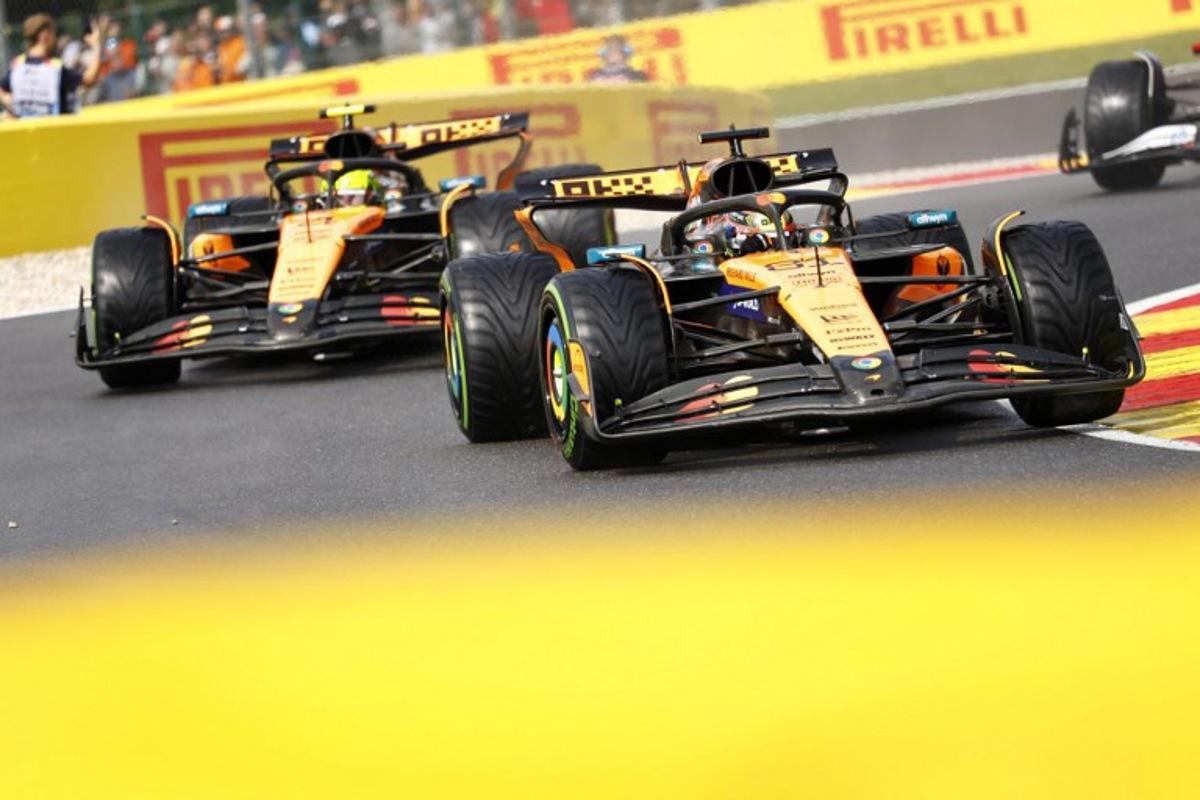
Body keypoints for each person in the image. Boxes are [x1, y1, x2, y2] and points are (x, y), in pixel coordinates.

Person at [1, 14, 104, 118]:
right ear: (45, 35)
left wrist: (11, 103)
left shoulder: (17, 66)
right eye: (53, 34)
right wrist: (96, 45)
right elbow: (90, 79)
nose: (55, 39)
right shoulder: (55, 69)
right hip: (54, 131)